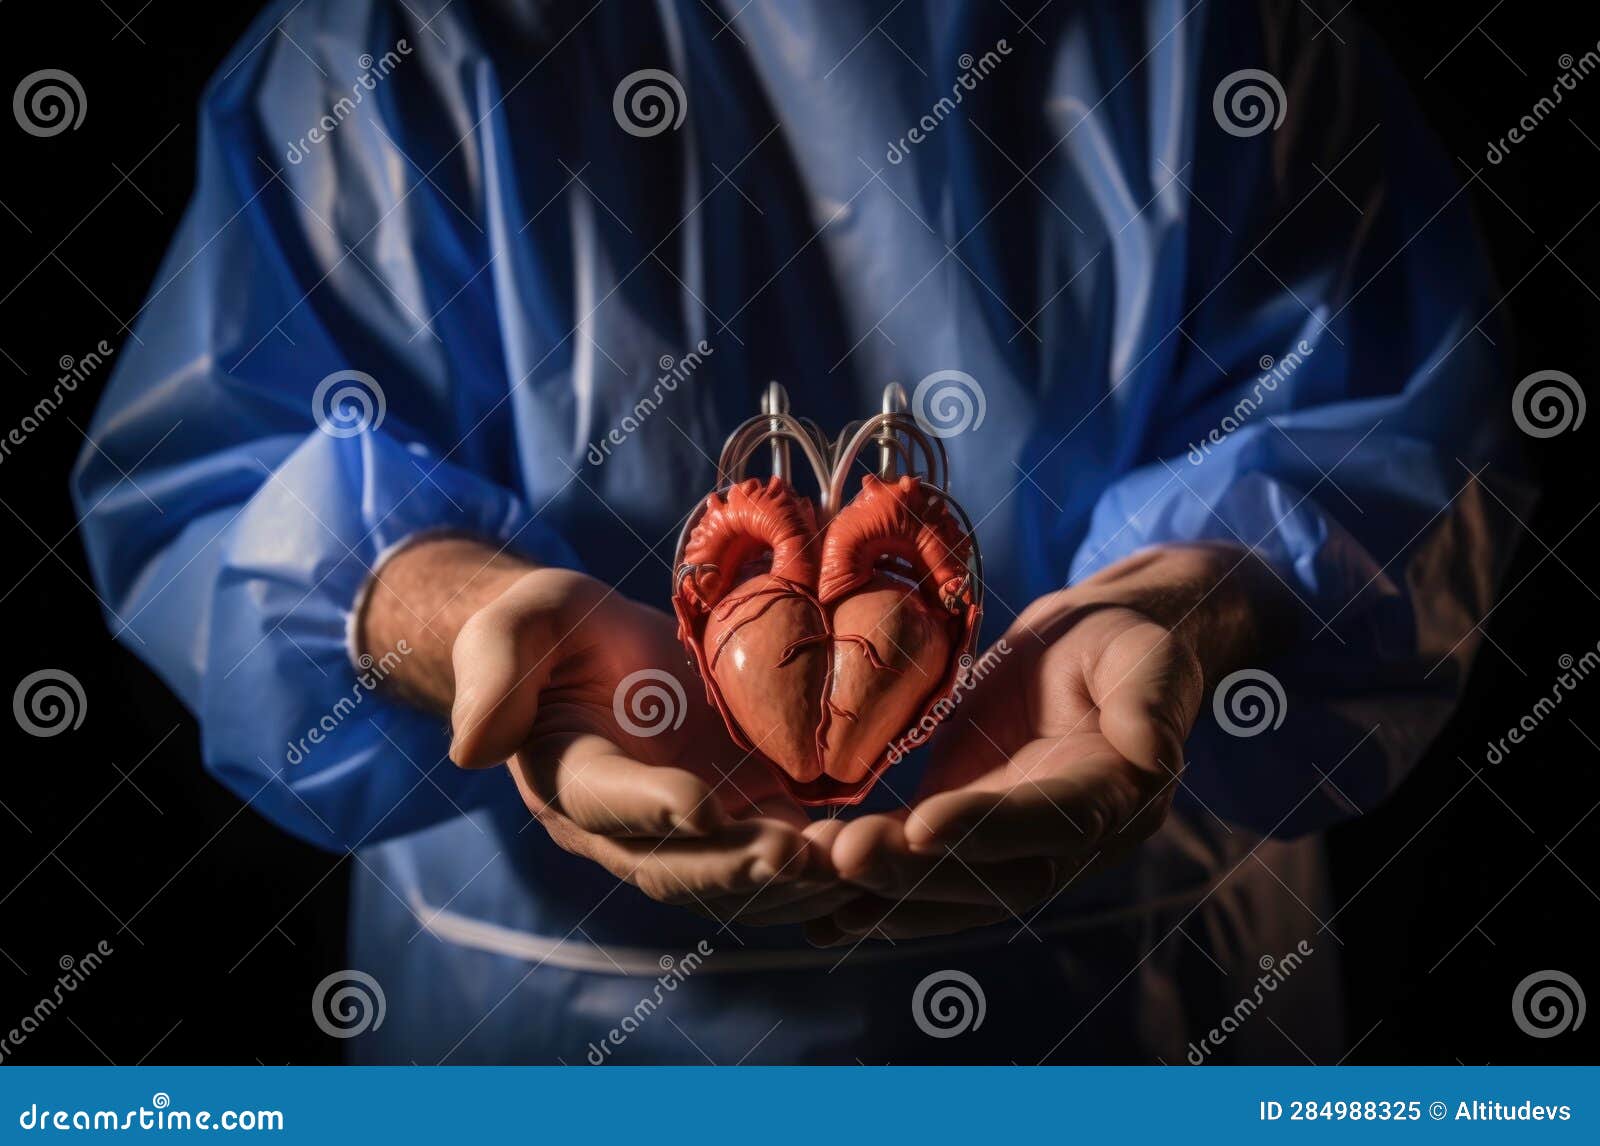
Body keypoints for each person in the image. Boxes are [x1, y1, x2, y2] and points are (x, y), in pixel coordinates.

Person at [72, 0, 1527, 1063]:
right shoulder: (380, 40)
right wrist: (442, 613)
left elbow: (1392, 449)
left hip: (1145, 1023)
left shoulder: (1243, 34)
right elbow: (219, 479)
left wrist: (1192, 608)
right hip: (532, 1052)